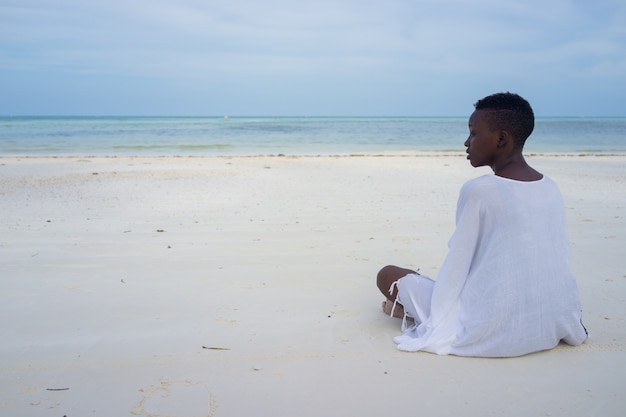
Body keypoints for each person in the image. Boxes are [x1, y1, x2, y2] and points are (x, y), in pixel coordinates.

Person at [376, 92, 588, 357]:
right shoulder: (550, 187)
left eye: (473, 133)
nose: (466, 142)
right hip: (551, 319)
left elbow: (458, 267)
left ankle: (408, 311)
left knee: (388, 275)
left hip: (491, 325)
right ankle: (410, 309)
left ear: (501, 139)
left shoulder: (480, 190)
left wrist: (433, 319)